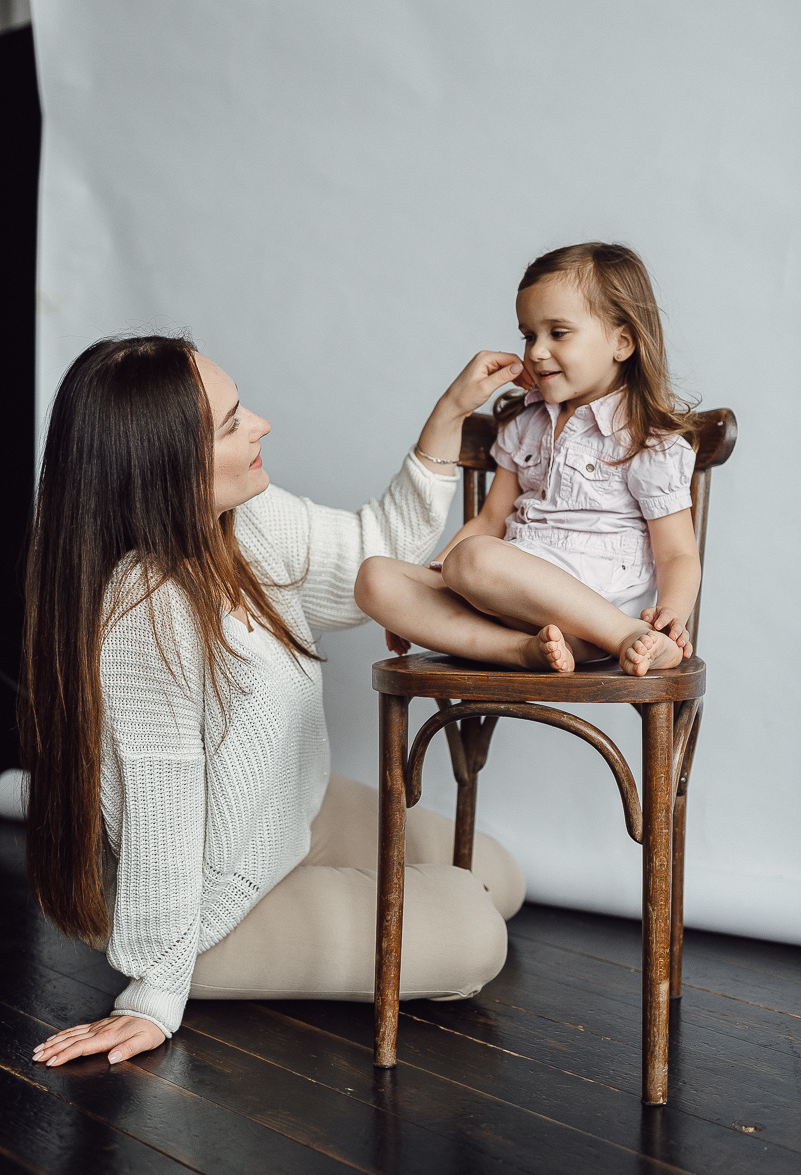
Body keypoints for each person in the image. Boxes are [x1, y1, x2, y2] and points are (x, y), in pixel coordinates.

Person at [26, 336, 526, 1069]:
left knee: (498, 874)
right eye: (230, 424)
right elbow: (161, 808)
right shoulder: (144, 611)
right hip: (205, 892)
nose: (260, 423)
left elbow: (373, 550)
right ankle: (195, 957)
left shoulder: (245, 520)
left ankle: (23, 793)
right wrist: (154, 994)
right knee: (476, 936)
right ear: (167, 466)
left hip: (283, 809)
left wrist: (449, 414)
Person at [355, 243, 701, 677]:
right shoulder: (527, 424)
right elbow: (489, 520)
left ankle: (627, 637)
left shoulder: (648, 439)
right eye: (528, 335)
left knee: (475, 559)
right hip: (511, 601)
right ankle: (521, 651)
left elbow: (677, 554)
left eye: (558, 333)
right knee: (375, 579)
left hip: (594, 615)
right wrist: (431, 590)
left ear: (622, 342)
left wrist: (670, 615)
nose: (536, 352)